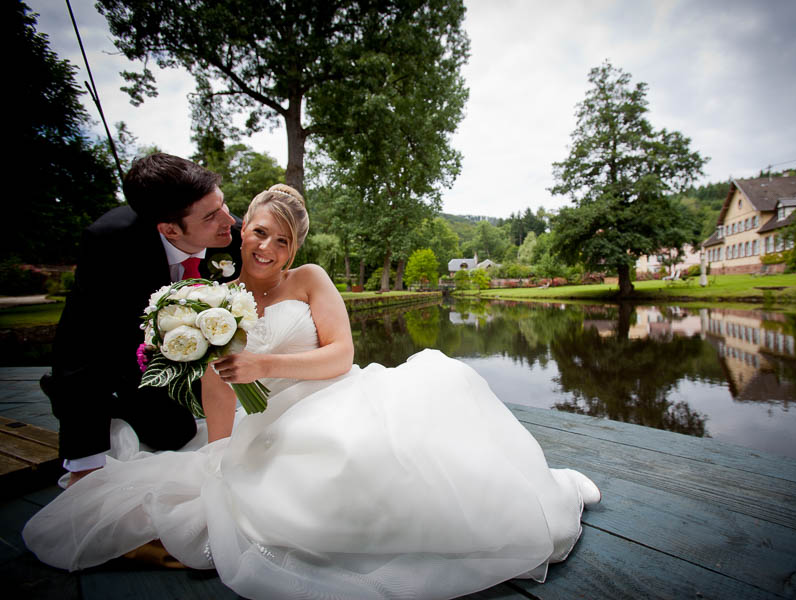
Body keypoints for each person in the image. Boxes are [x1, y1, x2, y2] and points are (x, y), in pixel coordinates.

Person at [24, 184, 601, 600]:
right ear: (242, 226)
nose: (268, 247)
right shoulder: (213, 294)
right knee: (295, 483)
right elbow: (214, 379)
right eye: (259, 231)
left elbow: (342, 354)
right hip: (263, 424)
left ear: (296, 247)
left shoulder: (311, 280)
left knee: (380, 444)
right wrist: (218, 452)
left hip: (332, 393)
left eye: (283, 239)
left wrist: (264, 361)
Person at [41, 153, 243, 486]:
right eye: (211, 215)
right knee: (170, 433)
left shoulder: (228, 236)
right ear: (170, 229)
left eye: (223, 203)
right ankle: (84, 404)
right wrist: (84, 460)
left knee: (177, 434)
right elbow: (80, 349)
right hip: (125, 354)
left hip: (189, 358)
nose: (229, 219)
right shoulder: (110, 243)